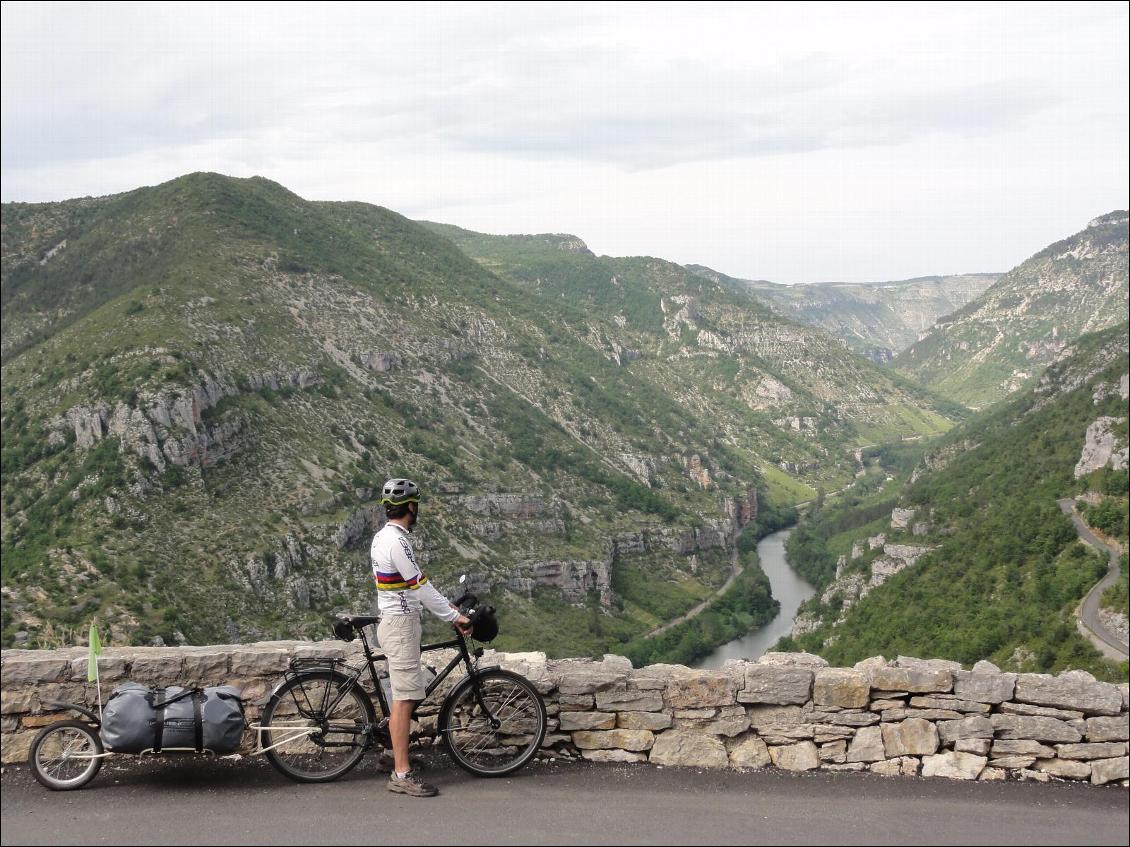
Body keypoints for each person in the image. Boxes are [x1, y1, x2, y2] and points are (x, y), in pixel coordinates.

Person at [371, 477, 471, 797]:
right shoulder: (398, 542)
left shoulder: (381, 536)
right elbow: (420, 585)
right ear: (411, 507)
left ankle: (396, 751)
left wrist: (448, 607)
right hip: (400, 626)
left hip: (395, 620)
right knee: (404, 700)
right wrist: (454, 616)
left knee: (405, 694)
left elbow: (416, 588)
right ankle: (401, 773)